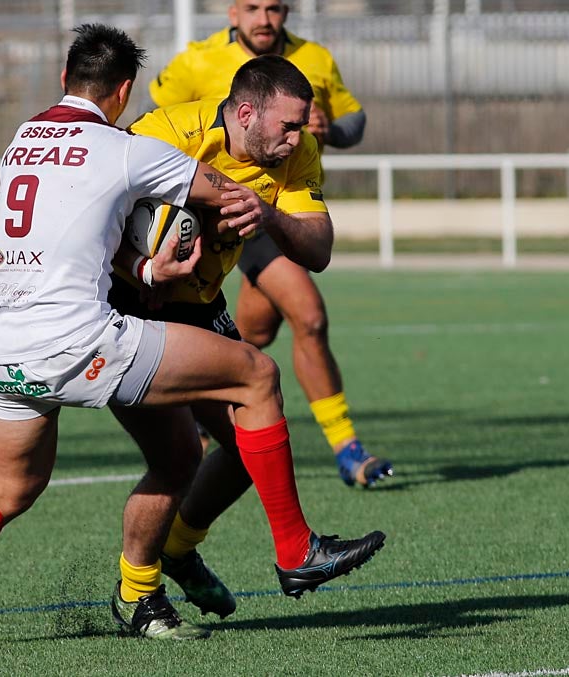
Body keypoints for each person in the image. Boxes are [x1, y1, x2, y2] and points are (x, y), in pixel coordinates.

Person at [0, 24, 385, 650]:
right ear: (125, 91)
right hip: (85, 339)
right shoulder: (127, 147)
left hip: (4, 346)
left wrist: (147, 264)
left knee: (15, 486)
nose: (298, 140)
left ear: (63, 80)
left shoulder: (21, 142)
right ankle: (295, 549)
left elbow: (73, 228)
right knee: (258, 376)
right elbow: (217, 192)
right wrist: (242, 212)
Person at [114, 54, 351, 620]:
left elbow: (318, 250)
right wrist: (139, 270)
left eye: (302, 126)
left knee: (251, 440)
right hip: (128, 306)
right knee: (173, 460)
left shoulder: (298, 153)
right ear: (245, 113)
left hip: (202, 304)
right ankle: (140, 586)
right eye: (287, 126)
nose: (298, 138)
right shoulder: (166, 132)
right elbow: (98, 207)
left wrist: (268, 216)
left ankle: (177, 552)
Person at [149, 0, 393, 489]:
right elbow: (152, 130)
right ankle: (346, 446)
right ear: (233, 12)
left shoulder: (316, 59)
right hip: (235, 216)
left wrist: (331, 131)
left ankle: (206, 409)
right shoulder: (197, 59)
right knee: (309, 315)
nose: (265, 19)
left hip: (288, 210)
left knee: (252, 336)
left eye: (275, 8)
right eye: (253, 8)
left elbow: (354, 121)